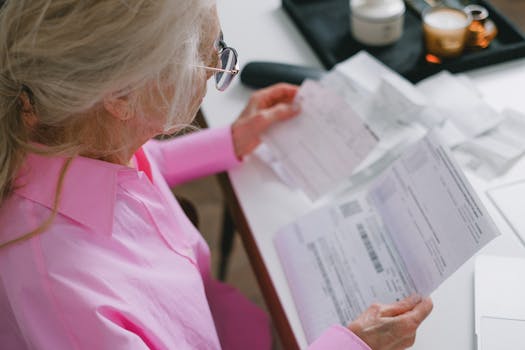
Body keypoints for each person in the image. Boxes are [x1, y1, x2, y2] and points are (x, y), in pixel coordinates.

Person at [0, 1, 433, 349]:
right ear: (121, 94)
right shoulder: (73, 307)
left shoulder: (73, 134)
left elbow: (144, 169)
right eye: (208, 58)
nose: (216, 68)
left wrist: (232, 140)